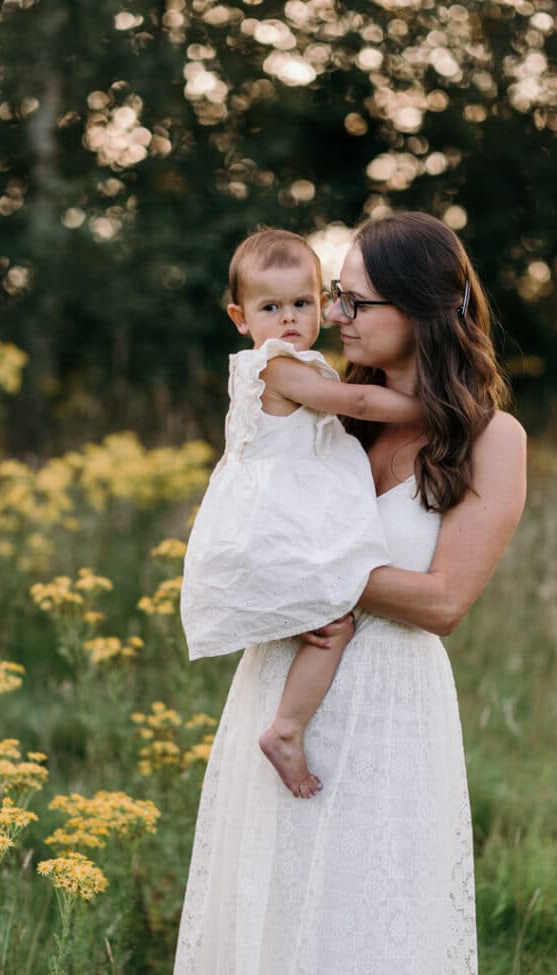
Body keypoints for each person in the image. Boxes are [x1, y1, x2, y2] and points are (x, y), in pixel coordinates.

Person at [169, 211, 527, 975]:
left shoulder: (488, 437)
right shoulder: (328, 421)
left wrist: (307, 572)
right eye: (335, 297)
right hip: (282, 688)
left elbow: (441, 601)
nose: (332, 317)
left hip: (389, 706)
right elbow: (252, 511)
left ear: (421, 309)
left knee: (368, 930)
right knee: (277, 914)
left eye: (355, 302)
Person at [180, 227, 423, 798]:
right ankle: (287, 728)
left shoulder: (297, 363)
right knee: (334, 626)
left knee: (326, 623)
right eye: (271, 307)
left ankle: (287, 721)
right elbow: (357, 402)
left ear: (320, 303)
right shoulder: (275, 366)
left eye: (302, 303)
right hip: (275, 530)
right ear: (241, 317)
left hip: (277, 524)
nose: (288, 318)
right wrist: (432, 408)